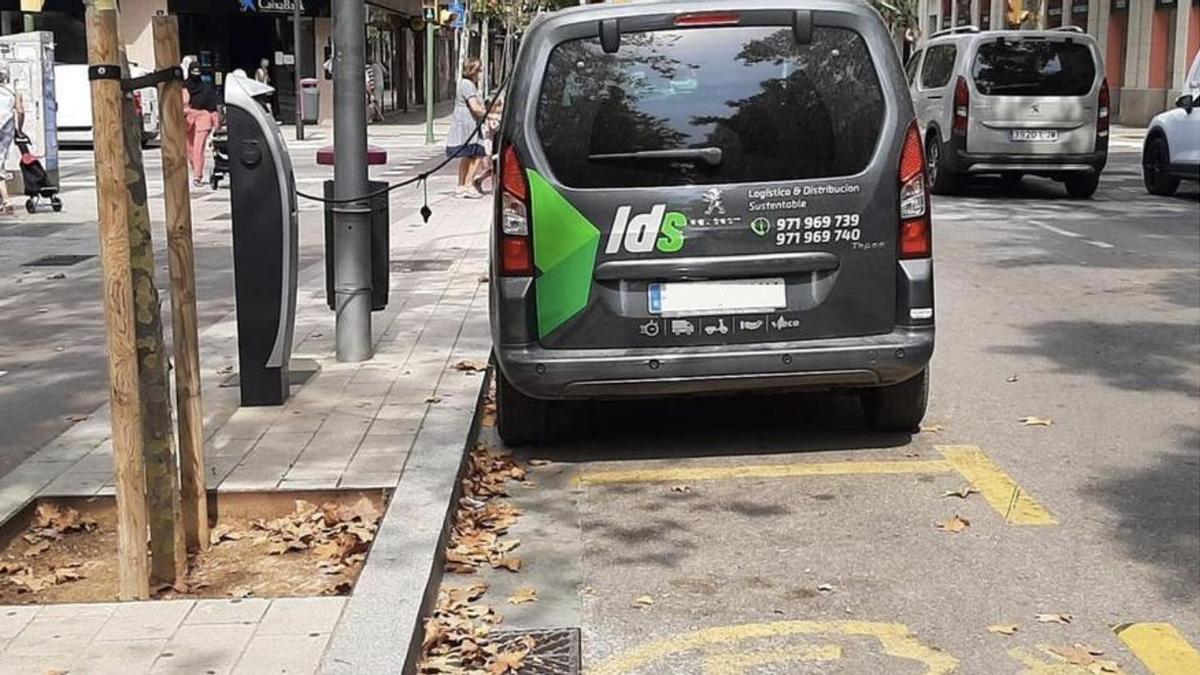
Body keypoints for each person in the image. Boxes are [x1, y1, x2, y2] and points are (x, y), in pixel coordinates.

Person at [445, 58, 488, 199]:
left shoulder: (463, 83)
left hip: (466, 125)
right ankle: (468, 184)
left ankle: (461, 185)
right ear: (473, 71)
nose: (480, 73)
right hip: (469, 125)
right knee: (479, 154)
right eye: (478, 70)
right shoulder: (468, 85)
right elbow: (475, 107)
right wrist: (490, 114)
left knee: (467, 155)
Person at [183, 64, 219, 188]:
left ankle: (197, 176)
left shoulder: (206, 88)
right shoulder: (184, 86)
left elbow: (212, 106)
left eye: (198, 71)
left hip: (204, 118)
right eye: (194, 71)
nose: (196, 74)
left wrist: (216, 124)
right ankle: (195, 169)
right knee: (189, 148)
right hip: (188, 119)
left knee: (199, 147)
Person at [0, 70, 24, 215]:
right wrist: (19, 129)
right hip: (7, 129)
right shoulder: (13, 92)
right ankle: (5, 201)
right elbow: (20, 111)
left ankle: (7, 200)